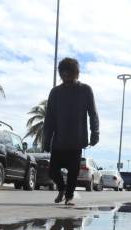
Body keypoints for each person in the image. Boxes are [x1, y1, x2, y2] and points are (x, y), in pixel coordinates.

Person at [42, 58, 99, 206]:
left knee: (73, 172)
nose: (65, 75)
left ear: (75, 73)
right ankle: (61, 189)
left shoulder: (85, 90)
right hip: (59, 140)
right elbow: (49, 118)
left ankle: (69, 197)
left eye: (68, 72)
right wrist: (46, 140)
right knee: (52, 171)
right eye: (63, 72)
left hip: (77, 140)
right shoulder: (55, 92)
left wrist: (95, 133)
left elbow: (93, 113)